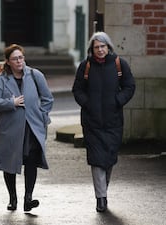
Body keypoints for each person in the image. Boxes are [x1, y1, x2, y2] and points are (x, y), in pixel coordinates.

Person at [72, 32, 135, 212]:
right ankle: (101, 198)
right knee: (97, 160)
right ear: (92, 49)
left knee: (108, 159)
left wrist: (117, 101)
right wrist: (87, 103)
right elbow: (77, 89)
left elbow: (130, 86)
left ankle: (102, 190)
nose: (100, 50)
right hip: (92, 122)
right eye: (96, 47)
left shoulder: (119, 64)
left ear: (108, 47)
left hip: (113, 122)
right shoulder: (86, 66)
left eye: (103, 46)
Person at [0, 44, 54, 212]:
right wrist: (12, 103)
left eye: (21, 58)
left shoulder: (35, 75)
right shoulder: (1, 80)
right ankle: (13, 198)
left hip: (32, 128)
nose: (19, 61)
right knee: (9, 163)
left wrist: (42, 117)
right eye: (15, 59)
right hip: (9, 130)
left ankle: (28, 198)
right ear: (8, 62)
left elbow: (47, 98)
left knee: (31, 161)